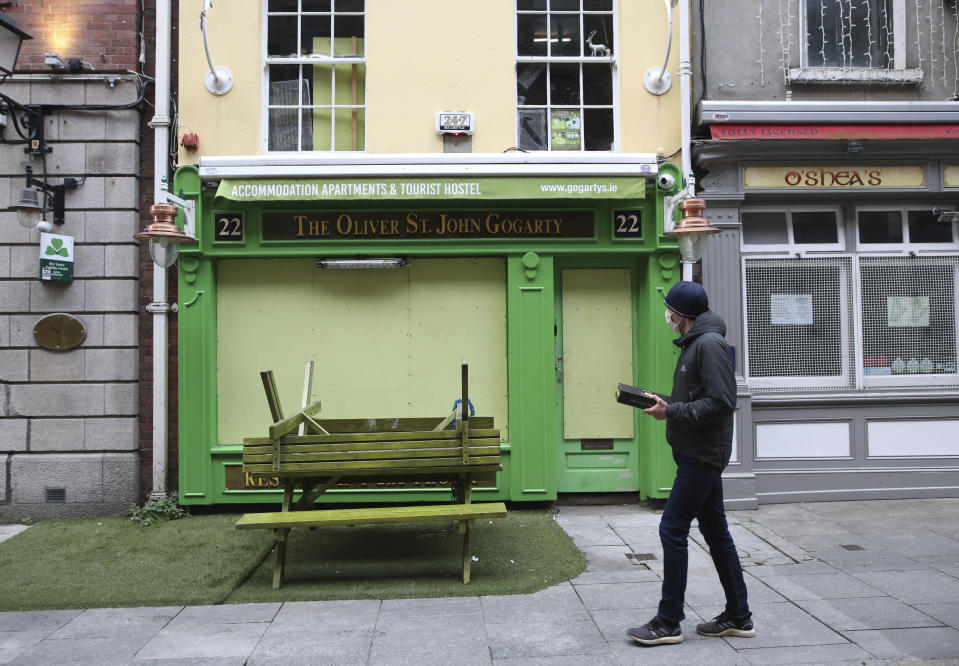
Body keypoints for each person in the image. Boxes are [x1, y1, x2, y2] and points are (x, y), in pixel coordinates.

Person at [626, 280, 754, 647]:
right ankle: (738, 617)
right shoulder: (696, 343)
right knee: (715, 532)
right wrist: (664, 404)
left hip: (703, 455)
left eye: (668, 309)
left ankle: (668, 622)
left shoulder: (709, 345)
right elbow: (700, 398)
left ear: (680, 315)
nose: (666, 314)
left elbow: (722, 402)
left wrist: (674, 411)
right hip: (699, 451)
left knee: (672, 528)